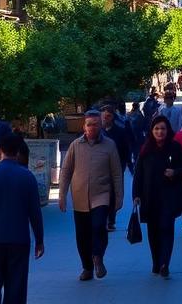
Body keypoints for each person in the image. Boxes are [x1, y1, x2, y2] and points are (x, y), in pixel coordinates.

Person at [0, 134, 44, 304]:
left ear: (0, 150)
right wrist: (39, 239)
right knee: (16, 283)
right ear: (18, 152)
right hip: (19, 239)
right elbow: (35, 212)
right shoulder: (27, 177)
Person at [58, 111, 123, 281]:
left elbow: (117, 173)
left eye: (95, 124)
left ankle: (98, 257)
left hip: (101, 195)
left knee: (98, 226)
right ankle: (87, 267)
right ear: (84, 127)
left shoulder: (109, 145)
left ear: (101, 125)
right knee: (82, 235)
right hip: (79, 197)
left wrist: (119, 197)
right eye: (89, 124)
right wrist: (62, 195)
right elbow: (66, 172)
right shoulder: (75, 145)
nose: (92, 127)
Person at [132, 115, 182, 278]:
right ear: (152, 131)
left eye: (163, 128)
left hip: (169, 196)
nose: (160, 131)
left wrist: (175, 172)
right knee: (153, 231)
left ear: (168, 130)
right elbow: (138, 174)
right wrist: (136, 195)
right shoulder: (146, 149)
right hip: (150, 196)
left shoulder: (175, 147)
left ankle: (165, 263)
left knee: (166, 228)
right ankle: (156, 262)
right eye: (156, 129)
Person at [100, 105, 133, 231]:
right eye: (103, 116)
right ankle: (102, 218)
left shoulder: (120, 131)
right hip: (101, 168)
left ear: (112, 117)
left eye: (108, 116)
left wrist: (127, 165)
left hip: (116, 166)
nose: (105, 118)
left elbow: (126, 150)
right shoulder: (98, 132)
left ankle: (111, 219)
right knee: (102, 192)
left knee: (113, 193)